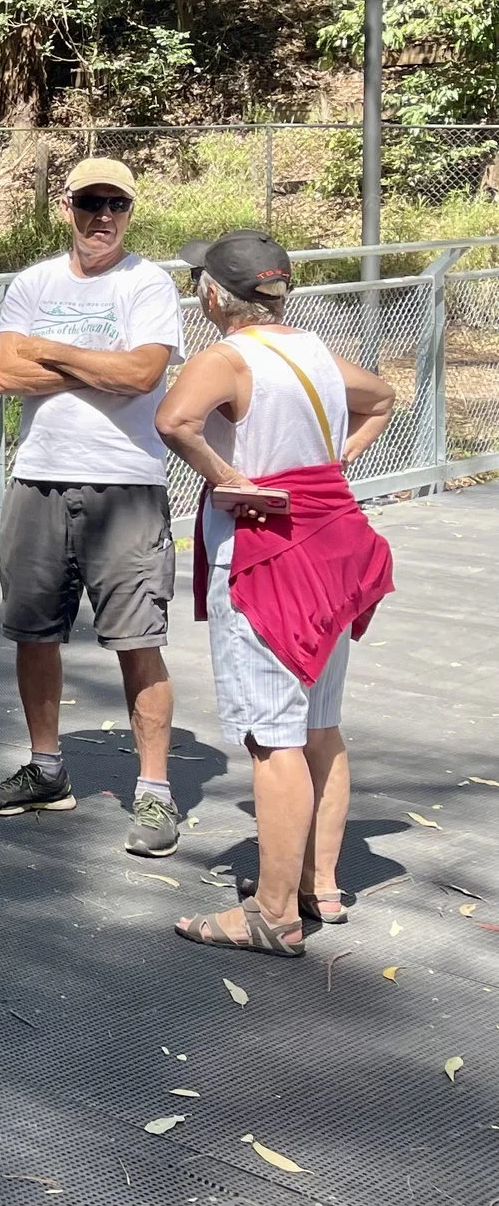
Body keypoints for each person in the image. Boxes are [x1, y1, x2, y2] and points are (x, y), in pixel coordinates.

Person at [156, 230, 395, 957]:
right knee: (320, 722)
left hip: (269, 554)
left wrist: (234, 481)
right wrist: (328, 465)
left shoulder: (226, 358)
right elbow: (382, 396)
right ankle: (321, 883)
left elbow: (175, 420)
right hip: (331, 545)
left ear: (212, 295)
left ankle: (271, 910)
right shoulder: (315, 352)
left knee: (274, 737)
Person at [0, 158, 187, 855]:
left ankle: (154, 791)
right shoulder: (33, 281)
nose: (104, 216)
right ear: (66, 205)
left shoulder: (147, 283)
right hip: (38, 478)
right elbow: (6, 373)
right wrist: (97, 362)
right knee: (34, 631)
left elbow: (140, 374)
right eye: (92, 202)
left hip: (126, 483)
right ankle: (46, 769)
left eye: (116, 204)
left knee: (136, 639)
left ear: (130, 210)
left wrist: (53, 352)